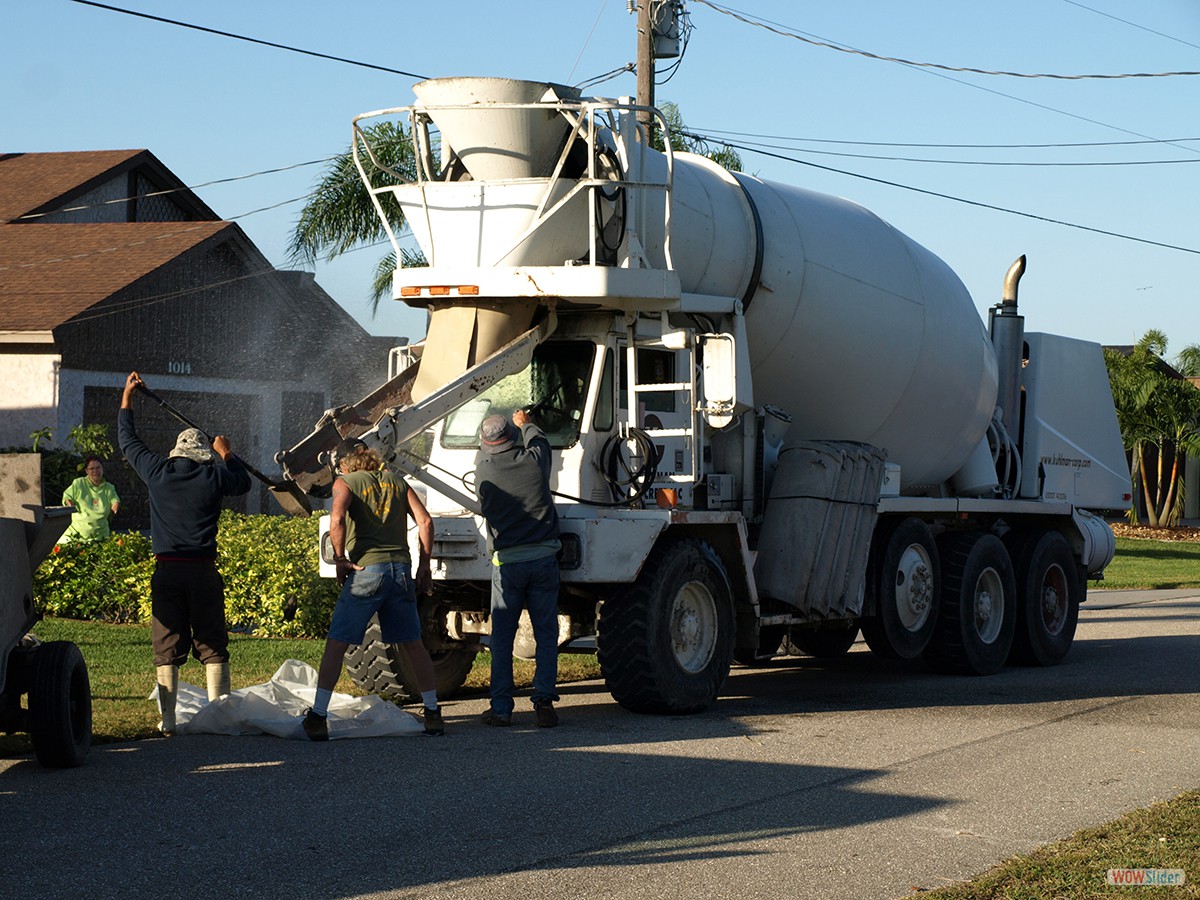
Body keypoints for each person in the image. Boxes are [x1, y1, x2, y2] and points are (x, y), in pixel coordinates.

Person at [119, 372, 252, 735]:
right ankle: (217, 717)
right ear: (204, 455)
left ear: (176, 451)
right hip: (203, 572)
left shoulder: (157, 472)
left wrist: (127, 397)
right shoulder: (215, 477)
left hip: (167, 572)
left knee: (167, 647)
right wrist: (228, 453)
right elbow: (243, 482)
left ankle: (169, 722)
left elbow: (127, 440)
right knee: (213, 644)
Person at [302, 437, 444, 740]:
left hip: (367, 571)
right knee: (413, 644)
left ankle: (317, 717)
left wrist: (339, 559)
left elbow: (336, 518)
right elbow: (426, 522)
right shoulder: (398, 481)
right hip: (401, 572)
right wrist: (425, 566)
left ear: (344, 463)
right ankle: (432, 713)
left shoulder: (346, 483)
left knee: (337, 643)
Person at [474, 409, 561, 727]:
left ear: (486, 444)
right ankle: (544, 703)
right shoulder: (535, 460)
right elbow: (540, 440)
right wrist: (525, 422)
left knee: (502, 638)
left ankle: (501, 709)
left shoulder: (483, 472)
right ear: (512, 437)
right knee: (546, 633)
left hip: (507, 565)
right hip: (543, 561)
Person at [60, 455, 120, 542]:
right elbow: (67, 496)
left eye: (98, 468)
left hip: (100, 536)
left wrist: (115, 504)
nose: (95, 471)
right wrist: (69, 503)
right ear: (86, 471)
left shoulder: (109, 487)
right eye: (92, 469)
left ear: (102, 469)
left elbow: (114, 499)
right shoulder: (79, 483)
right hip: (75, 536)